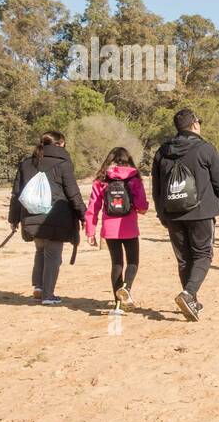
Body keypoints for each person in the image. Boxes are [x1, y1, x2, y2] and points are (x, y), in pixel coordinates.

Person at [151, 108, 219, 321]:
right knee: (203, 255)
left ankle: (191, 301)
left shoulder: (162, 151)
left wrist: (162, 212)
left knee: (184, 259)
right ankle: (188, 294)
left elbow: (157, 187)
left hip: (172, 213)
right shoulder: (205, 149)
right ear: (195, 125)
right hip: (201, 211)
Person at [8, 131, 85, 306]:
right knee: (53, 256)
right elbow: (73, 193)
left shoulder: (26, 164)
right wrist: (82, 214)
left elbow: (16, 194)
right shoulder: (63, 164)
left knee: (40, 250)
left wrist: (13, 218)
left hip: (31, 216)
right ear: (61, 144)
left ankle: (39, 288)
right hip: (57, 217)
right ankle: (48, 295)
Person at [84, 147, 149, 313]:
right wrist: (142, 209)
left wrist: (90, 231)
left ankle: (118, 303)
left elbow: (93, 207)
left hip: (109, 228)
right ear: (128, 159)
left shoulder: (102, 179)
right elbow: (142, 205)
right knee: (133, 262)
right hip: (129, 226)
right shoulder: (134, 178)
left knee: (117, 263)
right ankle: (126, 288)